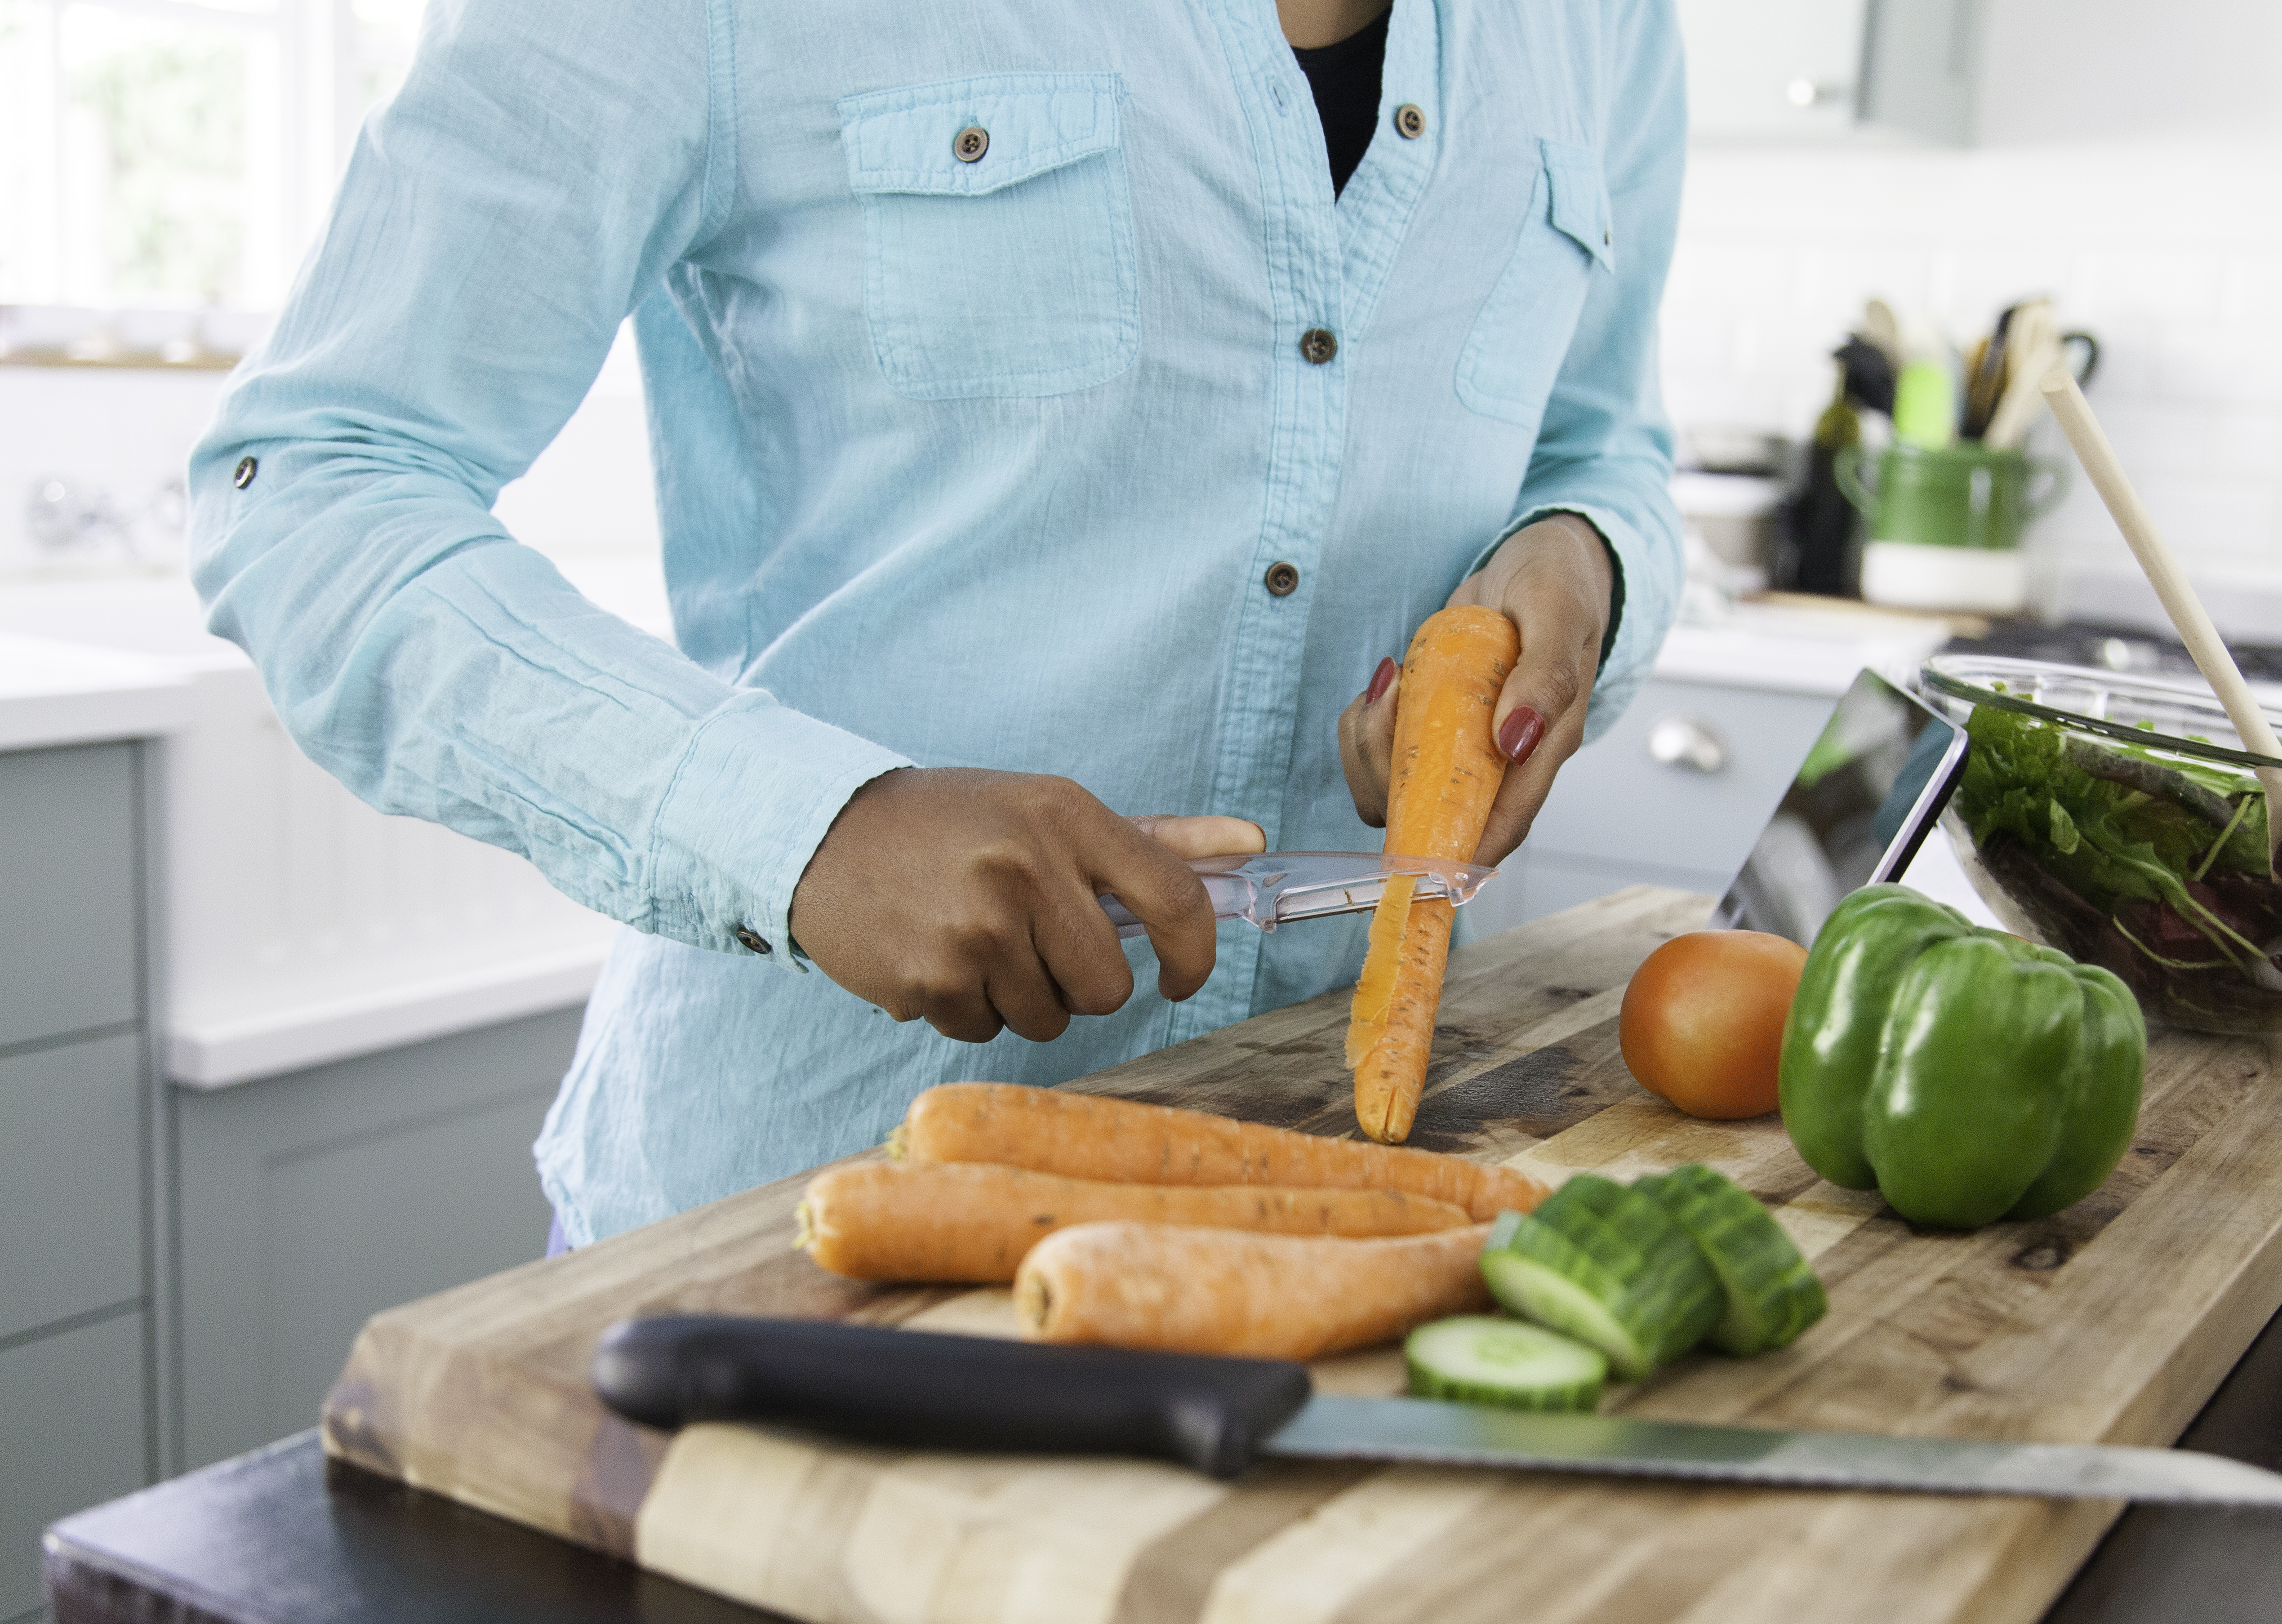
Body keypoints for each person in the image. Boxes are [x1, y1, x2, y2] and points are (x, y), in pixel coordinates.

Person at [187, 0, 1687, 1248]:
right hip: (807, 1202)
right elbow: (312, 480)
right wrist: (809, 827)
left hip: (1345, 1201)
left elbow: (1603, 445)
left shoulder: (1606, 25)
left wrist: (1580, 566)